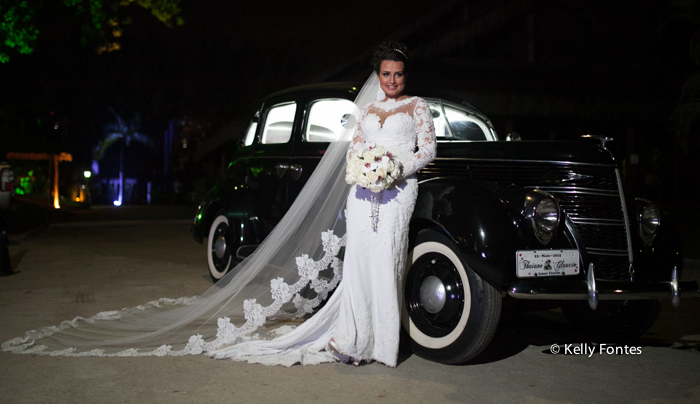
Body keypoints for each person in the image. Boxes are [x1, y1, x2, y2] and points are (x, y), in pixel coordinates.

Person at [2, 42, 436, 368]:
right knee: (359, 265)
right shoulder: (365, 111)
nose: (392, 80)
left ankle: (385, 344)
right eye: (386, 73)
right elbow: (354, 149)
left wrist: (395, 169)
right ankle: (354, 340)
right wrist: (365, 167)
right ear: (377, 74)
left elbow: (427, 152)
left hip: (397, 193)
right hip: (364, 194)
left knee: (388, 263)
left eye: (398, 74)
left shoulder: (418, 107)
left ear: (405, 75)